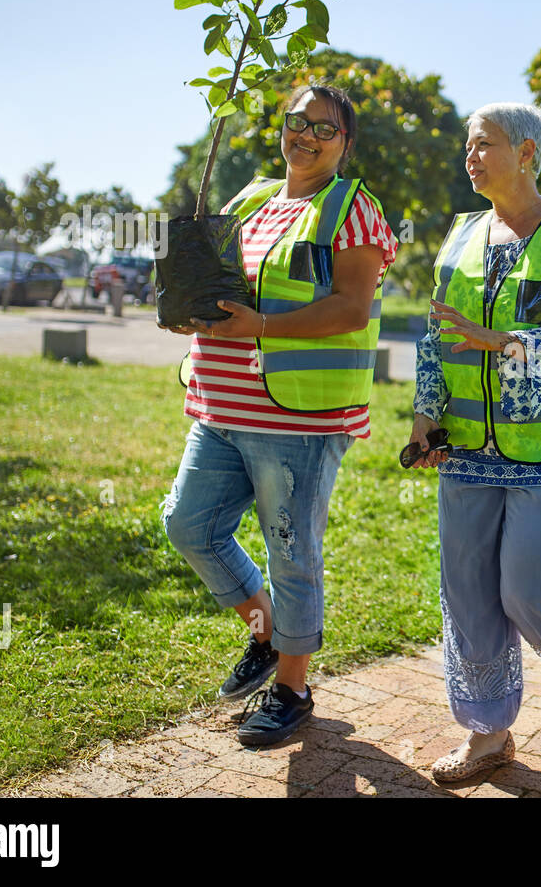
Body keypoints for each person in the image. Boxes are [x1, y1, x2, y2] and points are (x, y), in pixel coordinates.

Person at [160, 84, 399, 746]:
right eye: (298, 122)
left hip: (298, 419)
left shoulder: (351, 207)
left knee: (291, 552)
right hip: (220, 405)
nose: (308, 136)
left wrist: (262, 324)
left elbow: (352, 308)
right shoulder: (253, 197)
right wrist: (192, 308)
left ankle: (292, 690)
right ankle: (266, 633)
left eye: (325, 128)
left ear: (345, 143)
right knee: (189, 525)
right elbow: (221, 281)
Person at [406, 102, 541, 784]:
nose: (471, 156)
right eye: (467, 146)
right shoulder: (460, 235)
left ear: (527, 152)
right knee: (468, 595)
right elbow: (436, 335)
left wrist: (508, 342)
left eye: (485, 145)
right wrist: (424, 414)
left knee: (528, 588)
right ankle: (488, 737)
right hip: (465, 450)